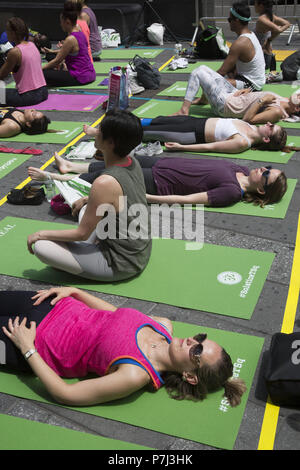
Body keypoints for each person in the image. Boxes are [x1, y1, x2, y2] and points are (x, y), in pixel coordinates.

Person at [0, 287, 247, 407]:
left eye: (197, 352)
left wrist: (26, 348)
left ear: (190, 376)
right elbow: (115, 313)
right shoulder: (162, 325)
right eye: (200, 339)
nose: (193, 341)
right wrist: (75, 292)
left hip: (32, 342)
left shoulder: (134, 374)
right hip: (52, 304)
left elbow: (66, 394)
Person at [27, 109, 152, 281]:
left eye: (100, 129)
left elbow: (81, 234)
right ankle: (84, 251)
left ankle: (84, 256)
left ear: (111, 143)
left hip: (120, 263)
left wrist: (40, 234)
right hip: (138, 249)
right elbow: (123, 198)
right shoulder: (132, 162)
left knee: (41, 246)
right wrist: (88, 199)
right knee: (85, 207)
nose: (96, 131)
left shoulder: (104, 183)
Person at [28, 148, 287, 209]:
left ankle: (51, 177)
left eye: (266, 175)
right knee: (116, 162)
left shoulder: (232, 192)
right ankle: (70, 165)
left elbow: (187, 199)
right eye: (266, 167)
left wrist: (146, 197)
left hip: (158, 182)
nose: (262, 169)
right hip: (163, 163)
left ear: (262, 191)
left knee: (106, 177)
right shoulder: (238, 169)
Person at [173, 65, 300, 123]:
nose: (298, 95)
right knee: (205, 68)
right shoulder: (284, 100)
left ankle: (184, 110)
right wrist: (251, 93)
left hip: (226, 105)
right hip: (234, 96)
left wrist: (261, 100)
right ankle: (203, 99)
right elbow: (258, 99)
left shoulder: (277, 112)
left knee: (198, 72)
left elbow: (248, 120)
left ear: (297, 108)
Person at [42, 1, 96, 87]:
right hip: (90, 74)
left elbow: (57, 61)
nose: (60, 25)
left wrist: (39, 69)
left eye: (61, 22)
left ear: (67, 22)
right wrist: (52, 52)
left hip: (80, 77)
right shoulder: (80, 32)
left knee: (43, 74)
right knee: (50, 57)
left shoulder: (70, 39)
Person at [0, 17, 48, 107]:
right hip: (43, 92)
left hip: (28, 96)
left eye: (7, 31)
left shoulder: (14, 52)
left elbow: (2, 75)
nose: (6, 33)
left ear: (13, 33)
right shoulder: (32, 45)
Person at [254, 0, 290, 71]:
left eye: (255, 4)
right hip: (267, 55)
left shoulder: (262, 19)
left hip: (261, 57)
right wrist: (270, 40)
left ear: (261, 6)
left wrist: (269, 40)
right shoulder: (271, 17)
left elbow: (278, 30)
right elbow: (287, 23)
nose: (254, 6)